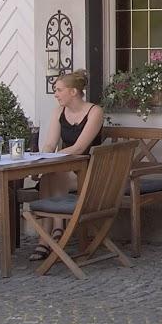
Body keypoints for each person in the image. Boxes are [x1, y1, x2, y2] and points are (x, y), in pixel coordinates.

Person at [30, 70, 106, 262]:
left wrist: (51, 160)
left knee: (52, 173)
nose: (55, 94)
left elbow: (80, 147)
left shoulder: (94, 112)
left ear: (73, 92)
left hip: (87, 170)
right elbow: (49, 144)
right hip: (64, 168)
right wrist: (44, 158)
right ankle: (54, 231)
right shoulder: (58, 112)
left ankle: (47, 236)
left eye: (59, 90)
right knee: (51, 174)